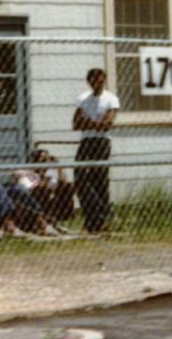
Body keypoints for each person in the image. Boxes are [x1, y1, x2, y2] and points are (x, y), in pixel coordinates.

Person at [73, 67, 119, 233]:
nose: (97, 84)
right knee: (80, 178)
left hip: (101, 143)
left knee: (99, 180)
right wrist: (95, 123)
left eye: (100, 80)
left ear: (104, 80)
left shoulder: (111, 99)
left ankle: (99, 222)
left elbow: (107, 125)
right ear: (89, 81)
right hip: (86, 141)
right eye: (93, 81)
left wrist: (88, 122)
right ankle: (93, 218)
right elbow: (75, 124)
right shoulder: (83, 99)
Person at [25, 149, 76, 225]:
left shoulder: (51, 170)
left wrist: (58, 166)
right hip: (40, 195)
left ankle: (66, 215)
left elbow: (63, 180)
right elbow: (32, 187)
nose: (46, 161)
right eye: (42, 159)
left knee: (68, 186)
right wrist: (44, 181)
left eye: (46, 159)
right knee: (44, 190)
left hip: (55, 194)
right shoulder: (30, 172)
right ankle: (46, 216)